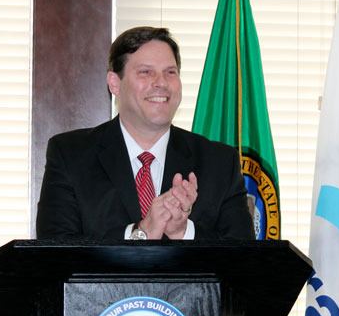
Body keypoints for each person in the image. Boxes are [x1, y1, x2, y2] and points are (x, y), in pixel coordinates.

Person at [36, 26, 253, 241]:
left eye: (170, 72)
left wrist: (183, 232)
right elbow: (55, 252)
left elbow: (245, 261)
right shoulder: (70, 155)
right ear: (114, 83)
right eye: (145, 72)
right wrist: (141, 232)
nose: (161, 83)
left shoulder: (219, 162)